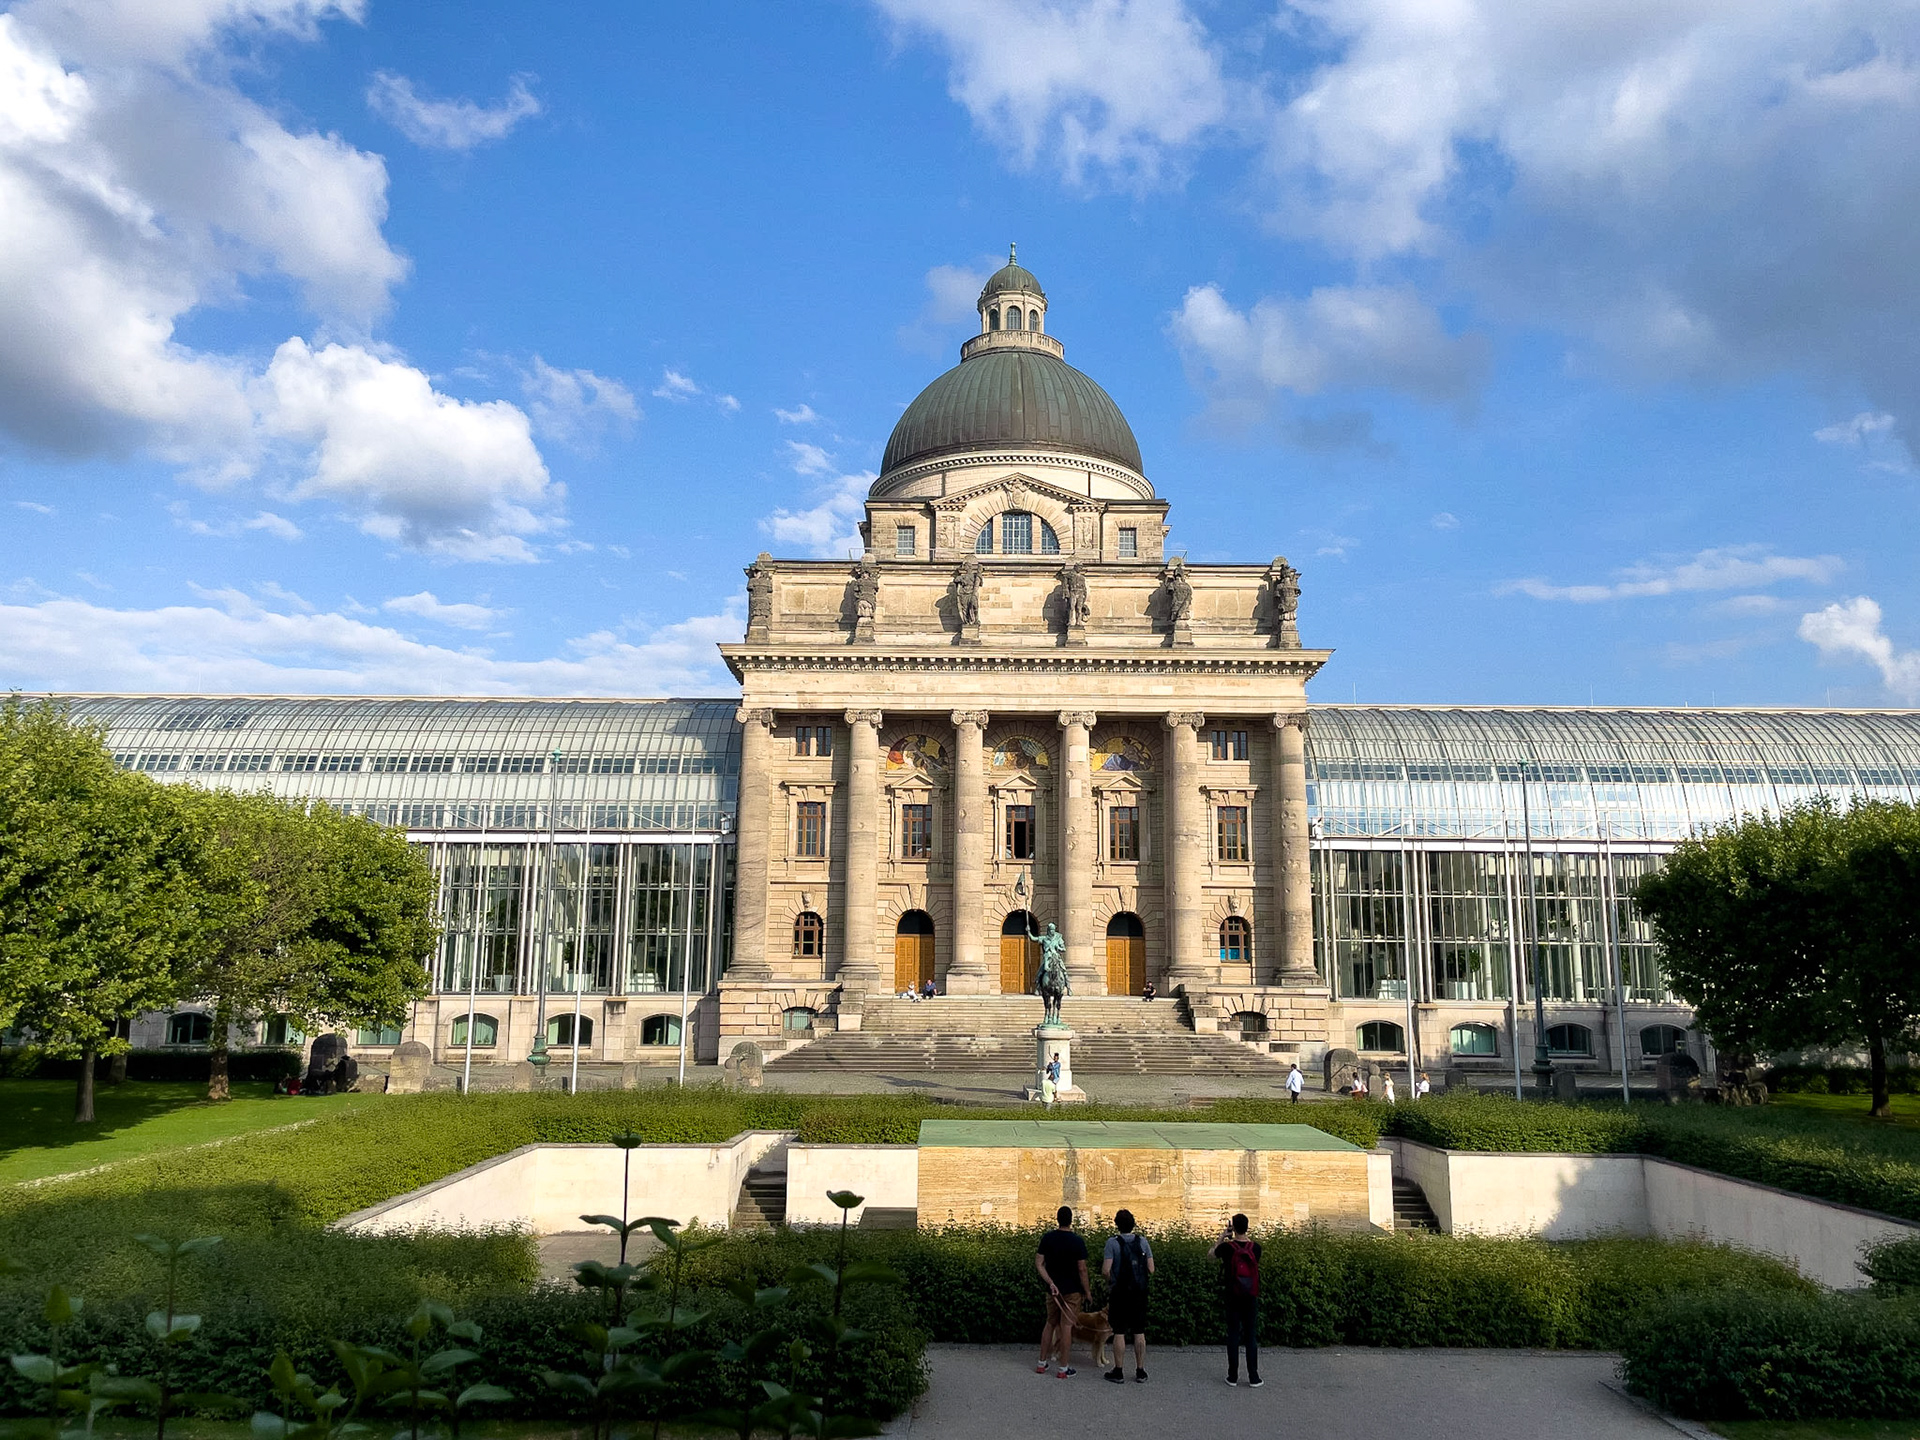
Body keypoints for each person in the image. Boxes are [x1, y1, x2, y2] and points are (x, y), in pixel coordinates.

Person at [1035, 1205, 1090, 1378]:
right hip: (1072, 1290)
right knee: (1066, 1327)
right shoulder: (1077, 1241)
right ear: (1071, 1220)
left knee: (1049, 1324)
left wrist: (1050, 1281)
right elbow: (1082, 1269)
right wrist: (1087, 1292)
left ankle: (1041, 1363)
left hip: (1053, 1291)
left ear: (1057, 1219)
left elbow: (1039, 1263)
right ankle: (1063, 1368)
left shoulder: (1048, 1238)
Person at [1102, 1209, 1155, 1383]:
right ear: (1133, 1223)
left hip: (1120, 1292)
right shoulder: (1142, 1241)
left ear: (1117, 1224)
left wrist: (1112, 1280)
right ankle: (1140, 1371)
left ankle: (1118, 1371)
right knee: (1139, 1331)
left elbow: (1105, 1270)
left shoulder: (1112, 1243)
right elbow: (1151, 1269)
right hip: (1139, 1292)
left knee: (1119, 1331)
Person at [1213, 1214, 1262, 1388]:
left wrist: (1222, 1237)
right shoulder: (1256, 1248)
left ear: (1233, 1227)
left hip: (1232, 1296)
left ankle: (1232, 1376)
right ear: (1247, 1227)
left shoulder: (1227, 1248)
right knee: (1250, 1336)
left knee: (1233, 1334)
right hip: (1250, 1296)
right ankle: (1254, 1377)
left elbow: (1211, 1255)